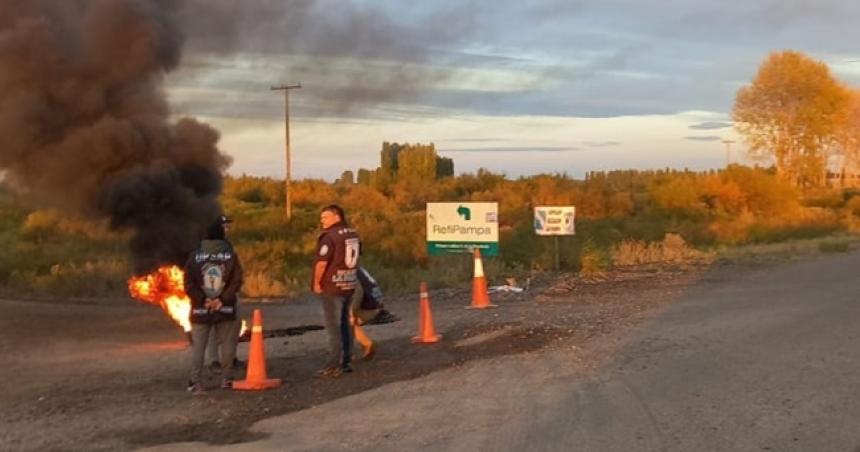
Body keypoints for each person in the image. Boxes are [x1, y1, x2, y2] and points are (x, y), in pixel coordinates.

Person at [184, 215, 244, 394]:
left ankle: (196, 382)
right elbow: (237, 280)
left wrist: (203, 300)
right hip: (225, 308)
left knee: (198, 347)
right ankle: (227, 379)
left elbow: (188, 283)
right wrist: (221, 300)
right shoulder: (230, 255)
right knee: (228, 344)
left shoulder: (194, 257)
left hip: (200, 308)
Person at [312, 205, 360, 377]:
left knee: (333, 327)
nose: (322, 220)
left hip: (332, 287)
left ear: (337, 217)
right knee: (346, 325)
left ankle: (333, 364)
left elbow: (322, 263)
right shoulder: (352, 234)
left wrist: (317, 283)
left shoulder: (329, 237)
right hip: (349, 284)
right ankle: (346, 360)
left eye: (325, 217)